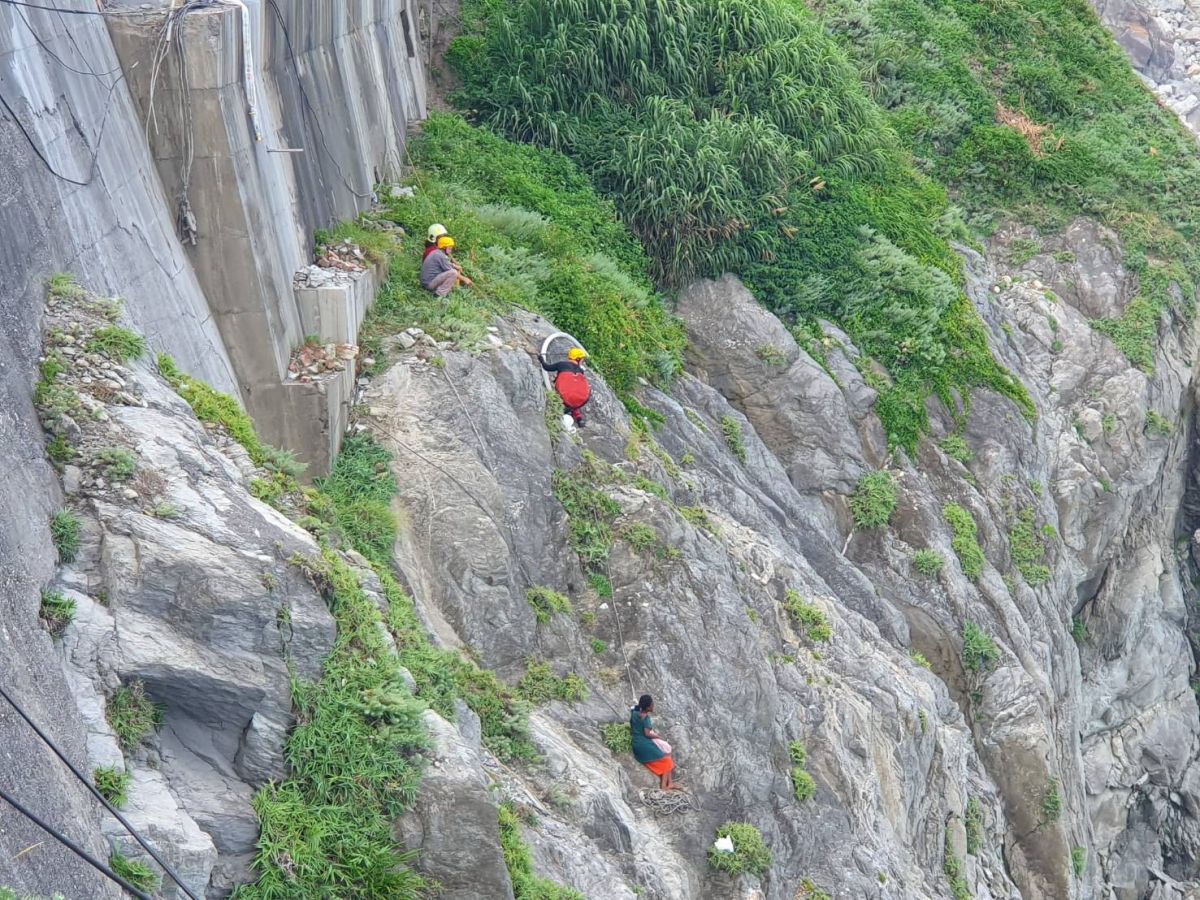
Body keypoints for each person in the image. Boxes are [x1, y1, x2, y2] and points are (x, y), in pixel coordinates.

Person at [630, 694, 679, 790]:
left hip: (636, 743)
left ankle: (670, 784)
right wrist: (657, 736)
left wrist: (639, 706)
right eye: (652, 704)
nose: (653, 706)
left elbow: (633, 707)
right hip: (643, 745)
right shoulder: (646, 719)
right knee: (667, 760)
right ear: (648, 707)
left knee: (667, 757)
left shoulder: (635, 713)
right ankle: (664, 786)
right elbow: (647, 734)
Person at [540, 346, 592, 428]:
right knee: (574, 401)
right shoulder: (580, 370)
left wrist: (542, 360)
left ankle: (565, 411)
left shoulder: (561, 365)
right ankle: (579, 418)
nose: (583, 361)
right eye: (582, 359)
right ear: (578, 359)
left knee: (567, 397)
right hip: (581, 400)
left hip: (564, 398)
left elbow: (546, 367)